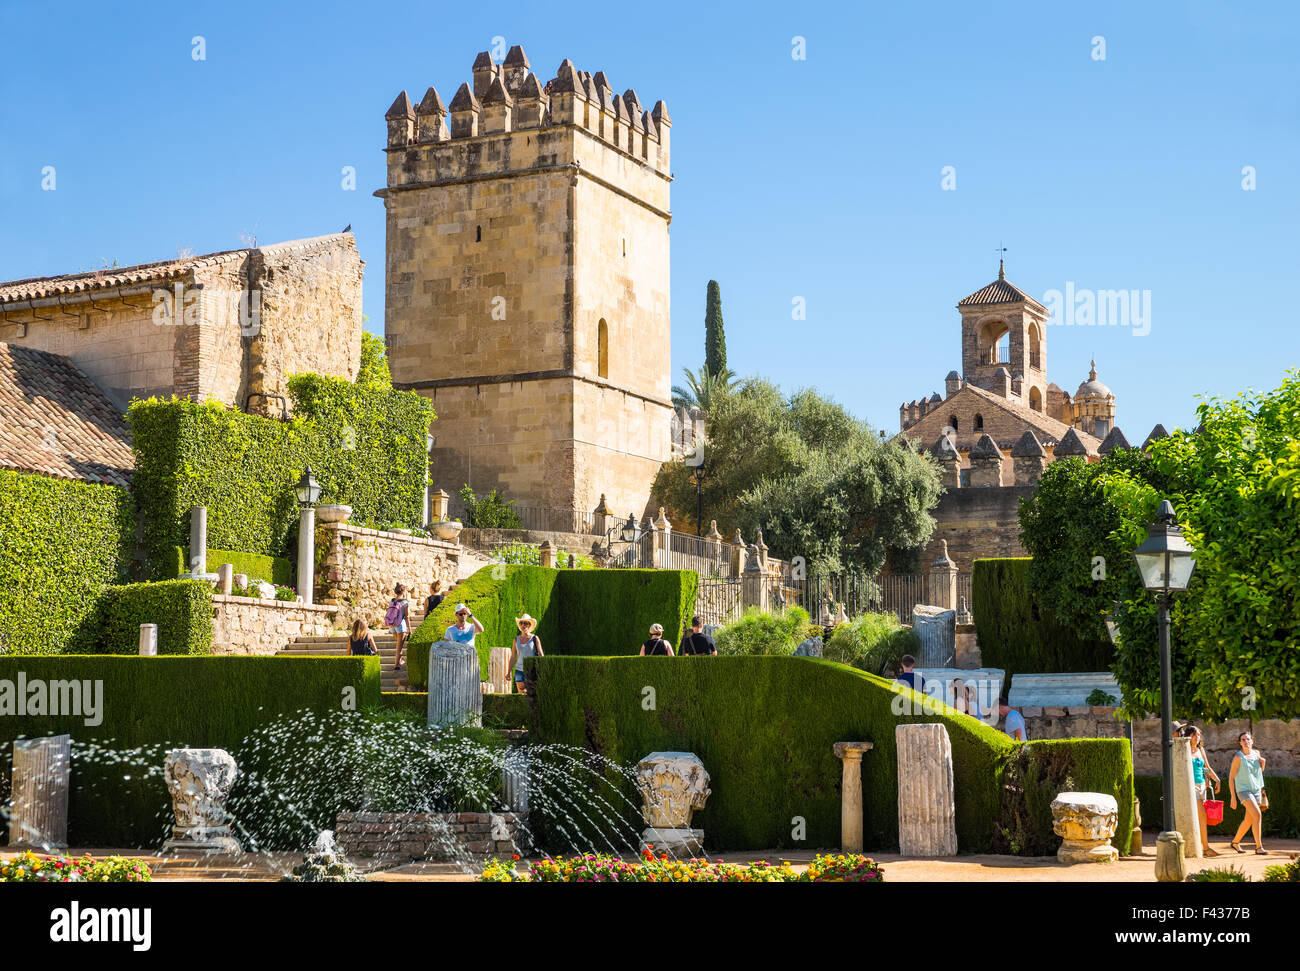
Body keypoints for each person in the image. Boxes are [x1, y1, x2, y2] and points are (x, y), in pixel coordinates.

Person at [1181, 725, 1221, 857]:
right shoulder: (1183, 749)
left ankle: (1199, 846)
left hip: (1202, 786)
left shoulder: (1200, 750)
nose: (1197, 737)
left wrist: (1217, 780)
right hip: (1190, 786)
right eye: (1194, 735)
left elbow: (1207, 767)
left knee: (1199, 818)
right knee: (1202, 815)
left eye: (1198, 735)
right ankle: (1205, 848)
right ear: (1188, 736)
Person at [1228, 731, 1268, 854]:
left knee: (1249, 820)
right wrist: (1233, 797)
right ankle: (1258, 847)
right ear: (1240, 743)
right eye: (1243, 740)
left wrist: (1263, 764)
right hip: (1243, 790)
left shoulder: (1257, 754)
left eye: (1248, 739)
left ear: (1252, 741)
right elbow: (1231, 778)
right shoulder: (1238, 757)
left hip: (1256, 790)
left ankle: (1235, 842)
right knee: (1257, 815)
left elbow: (1258, 772)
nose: (1246, 742)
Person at [509, 614, 544, 695]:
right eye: (521, 623)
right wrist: (508, 672)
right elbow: (513, 656)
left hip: (531, 670)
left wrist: (542, 669)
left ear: (529, 625)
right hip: (519, 671)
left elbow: (541, 655)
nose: (523, 625)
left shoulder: (534, 638)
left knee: (530, 693)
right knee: (521, 694)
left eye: (525, 623)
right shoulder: (516, 639)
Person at [385, 584, 411, 670]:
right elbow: (406, 617)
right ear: (403, 591)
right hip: (400, 626)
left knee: (399, 645)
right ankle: (396, 665)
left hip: (392, 626)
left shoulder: (392, 601)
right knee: (399, 647)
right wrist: (410, 629)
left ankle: (399, 660)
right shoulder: (405, 602)